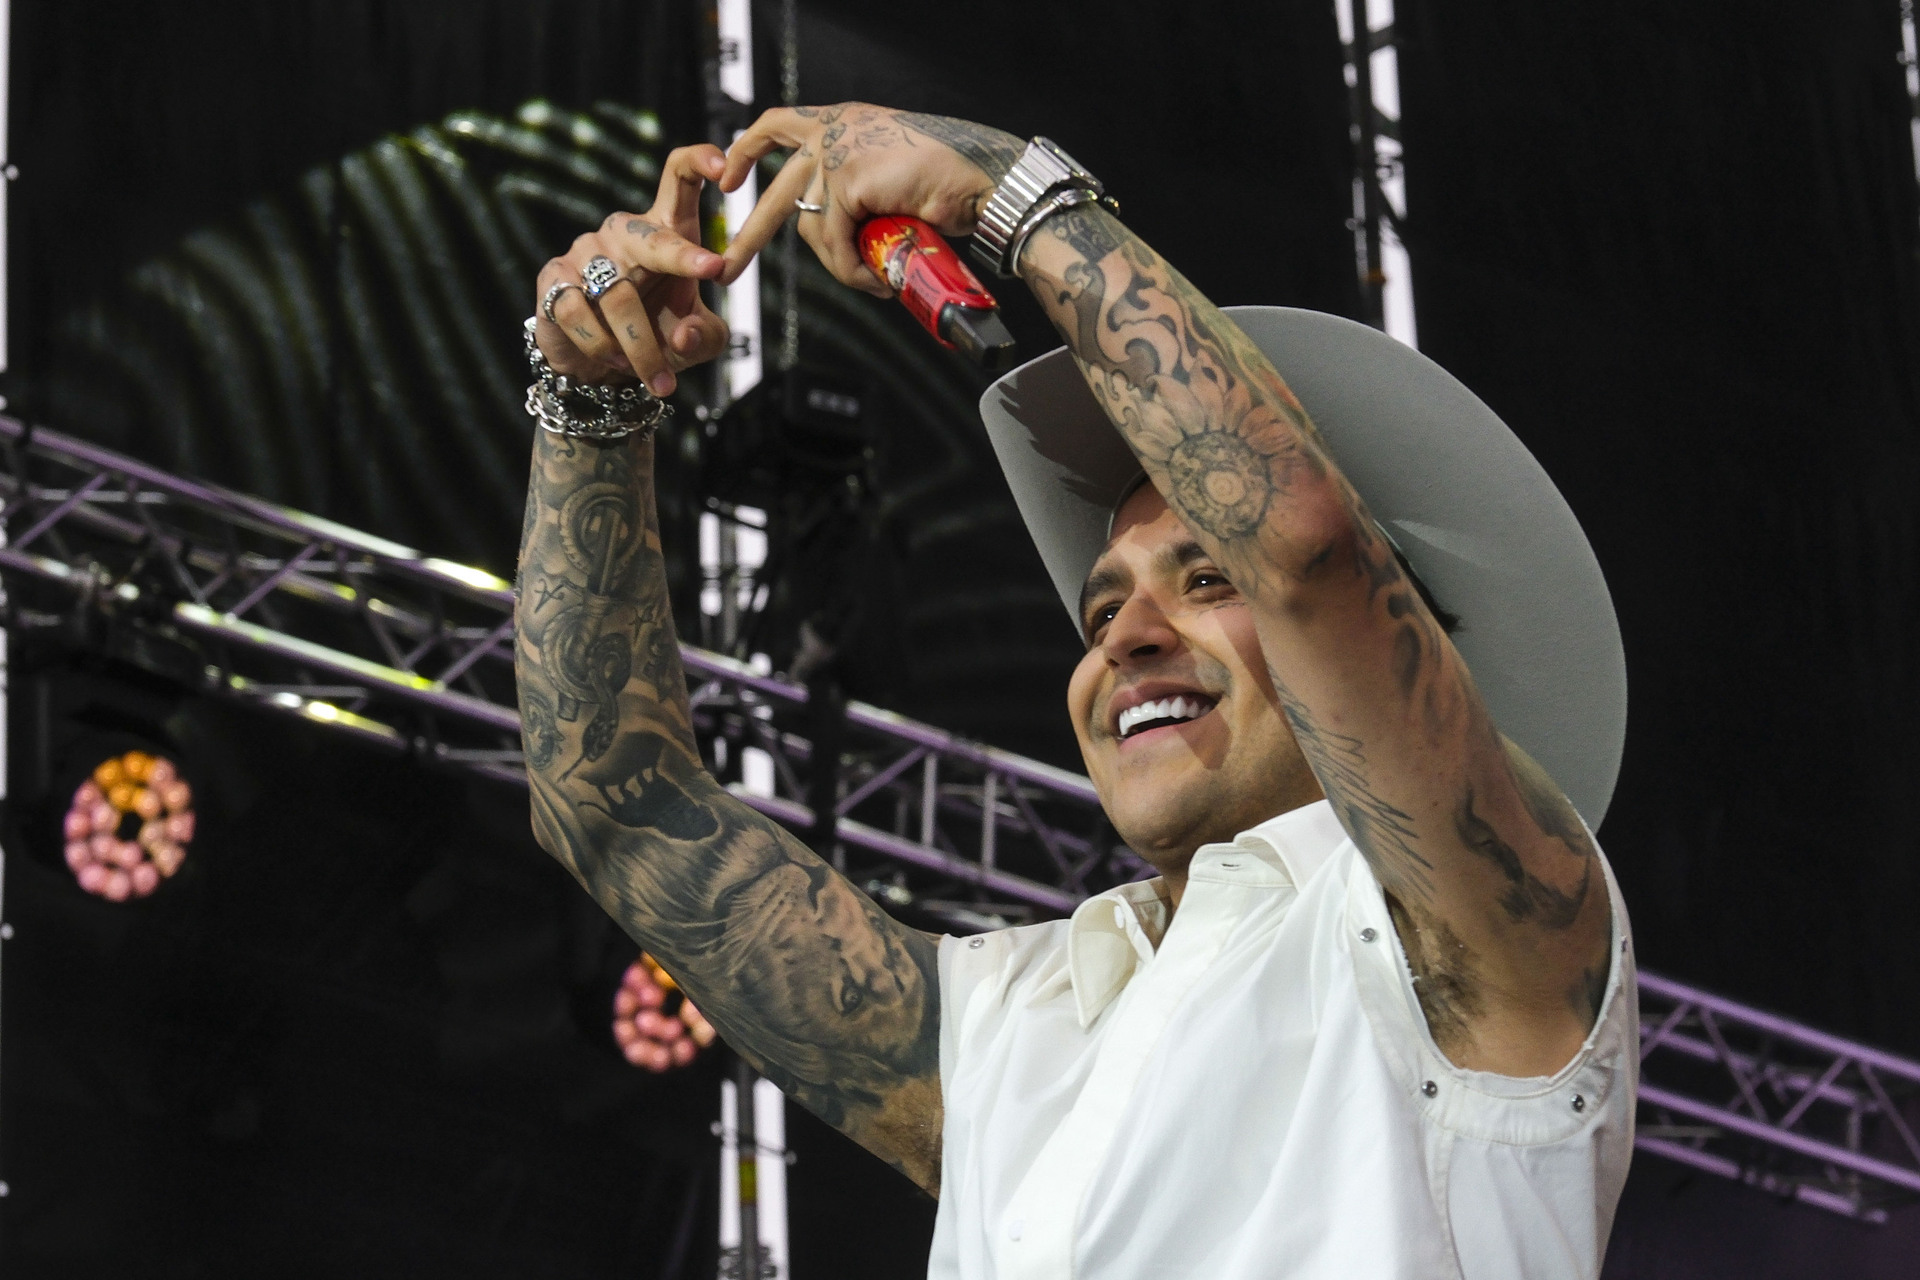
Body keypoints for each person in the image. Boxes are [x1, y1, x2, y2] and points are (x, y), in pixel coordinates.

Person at [517, 102, 1636, 1278]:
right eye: (1100, 613)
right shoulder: (1009, 1019)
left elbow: (1304, 547)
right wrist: (590, 402)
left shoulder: (1489, 923)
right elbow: (617, 808)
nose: (1125, 638)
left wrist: (999, 185)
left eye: (1209, 577)